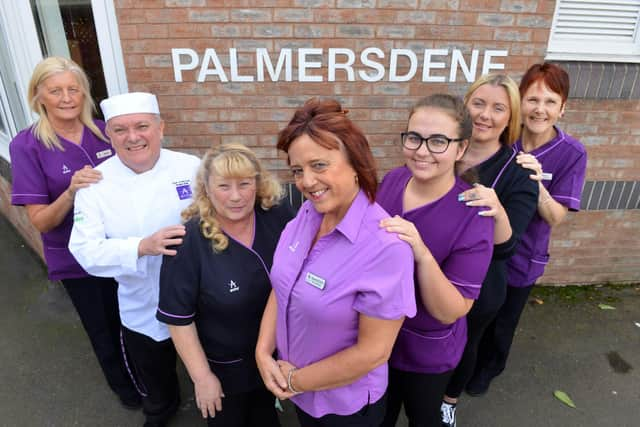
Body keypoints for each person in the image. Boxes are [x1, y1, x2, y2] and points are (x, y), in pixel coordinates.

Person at [255, 98, 416, 427]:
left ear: (356, 163)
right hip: (297, 390)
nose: (306, 182)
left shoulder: (386, 248)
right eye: (297, 170)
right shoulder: (305, 214)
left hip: (346, 406)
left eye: (319, 165)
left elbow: (373, 352)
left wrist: (295, 381)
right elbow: (282, 285)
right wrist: (262, 352)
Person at [9, 56, 140, 409]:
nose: (67, 98)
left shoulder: (106, 130)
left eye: (74, 89)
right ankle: (125, 390)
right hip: (78, 258)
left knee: (138, 320)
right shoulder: (27, 145)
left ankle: (151, 379)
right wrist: (71, 190)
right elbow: (40, 222)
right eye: (56, 91)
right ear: (38, 96)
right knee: (106, 330)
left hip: (127, 248)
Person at [68, 92, 201, 427]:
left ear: (160, 128)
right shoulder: (94, 184)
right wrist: (141, 246)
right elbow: (84, 250)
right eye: (120, 130)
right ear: (109, 136)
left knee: (209, 365)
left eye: (142, 126)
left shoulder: (192, 167)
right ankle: (161, 410)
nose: (133, 137)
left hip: (198, 297)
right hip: (141, 302)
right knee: (155, 379)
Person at [467, 63, 588, 394]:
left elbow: (556, 217)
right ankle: (465, 365)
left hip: (524, 255)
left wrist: (537, 183)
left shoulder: (571, 153)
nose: (540, 109)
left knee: (502, 323)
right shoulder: (502, 137)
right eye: (533, 99)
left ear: (562, 109)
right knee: (474, 316)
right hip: (482, 249)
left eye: (550, 101)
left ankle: (490, 369)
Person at [376, 94, 494, 427]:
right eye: (414, 137)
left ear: (461, 148)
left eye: (438, 141)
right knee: (377, 417)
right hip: (376, 339)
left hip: (425, 351)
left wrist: (422, 252)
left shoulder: (473, 215)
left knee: (423, 417)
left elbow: (452, 310)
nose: (422, 150)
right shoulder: (395, 180)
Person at [156, 143, 293, 426]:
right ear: (206, 187)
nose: (235, 197)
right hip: (226, 369)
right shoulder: (189, 241)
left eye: (244, 184)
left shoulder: (277, 216)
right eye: (223, 186)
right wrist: (202, 377)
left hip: (278, 355)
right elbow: (178, 319)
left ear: (258, 182)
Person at [441, 74, 539, 427]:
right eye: (478, 103)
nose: (485, 115)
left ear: (510, 118)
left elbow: (508, 246)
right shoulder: (443, 151)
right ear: (464, 107)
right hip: (429, 269)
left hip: (481, 284)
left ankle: (448, 401)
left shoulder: (519, 173)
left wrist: (496, 210)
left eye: (498, 108)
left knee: (466, 343)